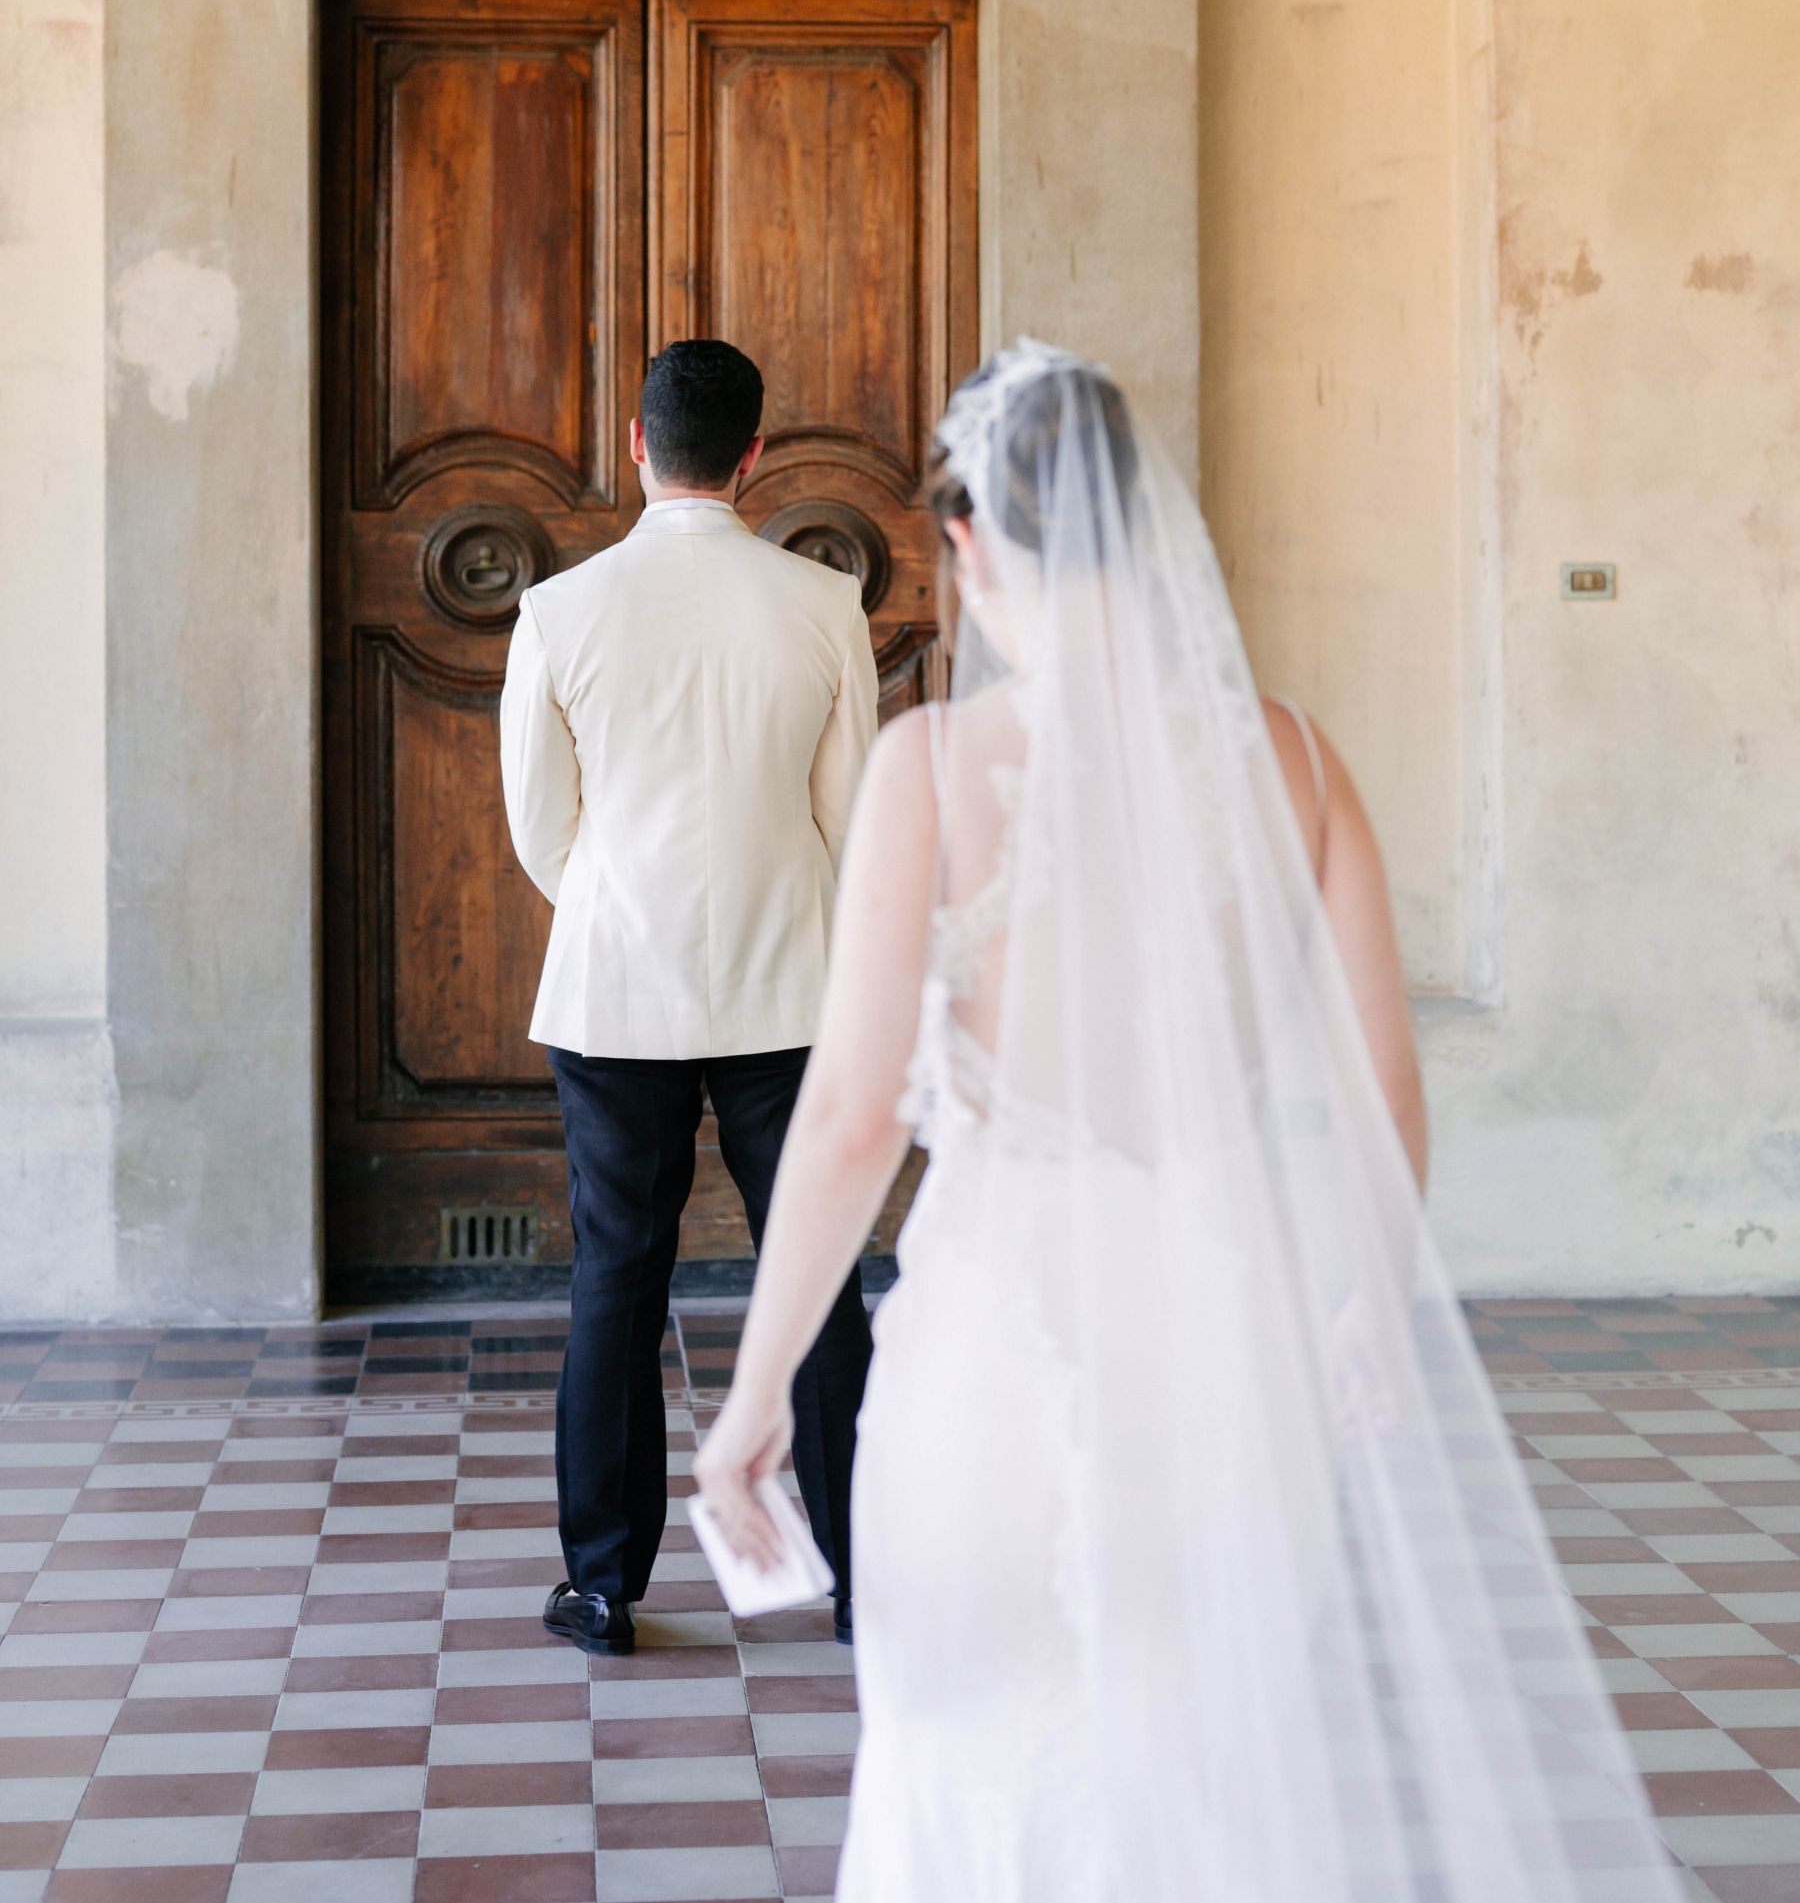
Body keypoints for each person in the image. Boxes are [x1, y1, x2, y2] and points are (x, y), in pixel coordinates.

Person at [696, 341, 1681, 1900]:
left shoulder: (935, 769)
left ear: (967, 544)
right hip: (1229, 1367)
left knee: (960, 1782)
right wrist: (1358, 1308)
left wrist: (754, 1406)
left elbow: (845, 1129)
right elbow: (1385, 1097)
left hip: (988, 1366)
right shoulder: (1292, 763)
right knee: (1214, 1789)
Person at [500, 337, 879, 1658]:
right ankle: (856, 1572)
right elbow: (850, 818)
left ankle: (604, 1583)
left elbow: (541, 828)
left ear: (635, 441)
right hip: (790, 979)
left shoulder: (560, 610)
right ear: (757, 454)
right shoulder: (823, 606)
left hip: (614, 987)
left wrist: (620, 902)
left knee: (617, 1271)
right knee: (816, 1268)